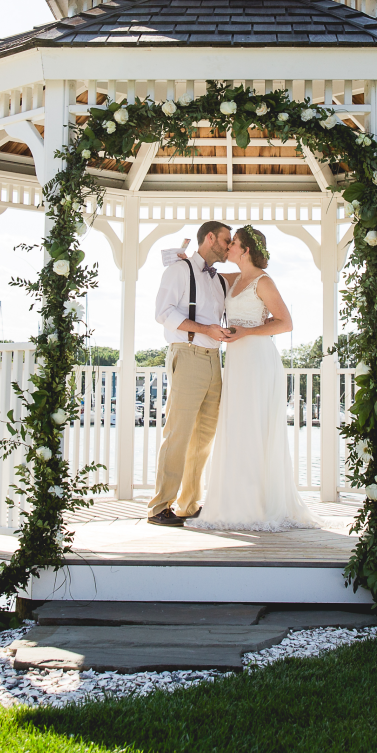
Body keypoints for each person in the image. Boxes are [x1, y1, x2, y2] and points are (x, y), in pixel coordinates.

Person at [186, 225, 322, 532]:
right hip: (236, 362)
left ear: (246, 250)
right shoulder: (233, 280)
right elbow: (204, 274)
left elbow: (285, 323)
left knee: (255, 426)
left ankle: (260, 504)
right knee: (236, 426)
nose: (228, 248)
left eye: (233, 243)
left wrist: (247, 331)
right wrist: (185, 258)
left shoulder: (263, 281)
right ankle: (236, 501)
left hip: (258, 359)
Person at [146, 221, 235, 528]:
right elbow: (163, 313)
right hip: (187, 354)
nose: (228, 245)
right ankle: (159, 507)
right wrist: (205, 329)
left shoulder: (220, 280)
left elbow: (253, 278)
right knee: (179, 432)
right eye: (225, 240)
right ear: (209, 237)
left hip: (214, 361)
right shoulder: (179, 271)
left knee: (203, 437)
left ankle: (187, 503)